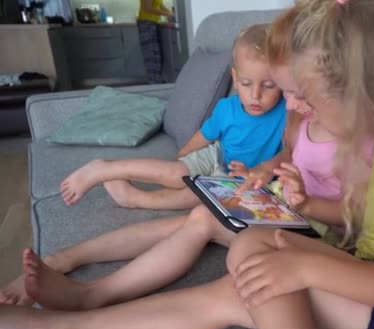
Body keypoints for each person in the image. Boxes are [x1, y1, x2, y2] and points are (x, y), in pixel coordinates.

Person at [0, 1, 374, 329]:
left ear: (369, 94)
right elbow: (362, 217)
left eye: (306, 97)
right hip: (365, 275)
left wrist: (305, 267)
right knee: (254, 247)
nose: (297, 108)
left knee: (244, 281)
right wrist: (309, 208)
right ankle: (69, 327)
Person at [0, 16, 355, 312]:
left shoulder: (353, 133)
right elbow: (290, 152)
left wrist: (301, 199)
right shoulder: (299, 115)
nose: (289, 102)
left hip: (308, 223)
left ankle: (93, 292)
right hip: (277, 198)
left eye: (294, 92)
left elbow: (360, 215)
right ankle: (66, 260)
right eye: (288, 91)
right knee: (199, 213)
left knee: (199, 214)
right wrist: (269, 168)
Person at [58, 24, 286, 210]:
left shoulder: (288, 112)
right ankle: (104, 168)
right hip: (217, 155)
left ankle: (136, 199)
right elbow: (205, 135)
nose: (256, 95)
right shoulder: (227, 108)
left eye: (268, 85)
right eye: (246, 84)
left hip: (241, 179)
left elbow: (295, 149)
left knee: (198, 198)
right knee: (176, 174)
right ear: (235, 78)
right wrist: (184, 155)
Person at [137, 0, 173, 83]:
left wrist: (170, 13)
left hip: (152, 23)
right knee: (151, 55)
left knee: (155, 55)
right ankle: (154, 83)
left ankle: (155, 82)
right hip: (146, 23)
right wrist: (166, 14)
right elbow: (147, 7)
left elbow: (161, 6)